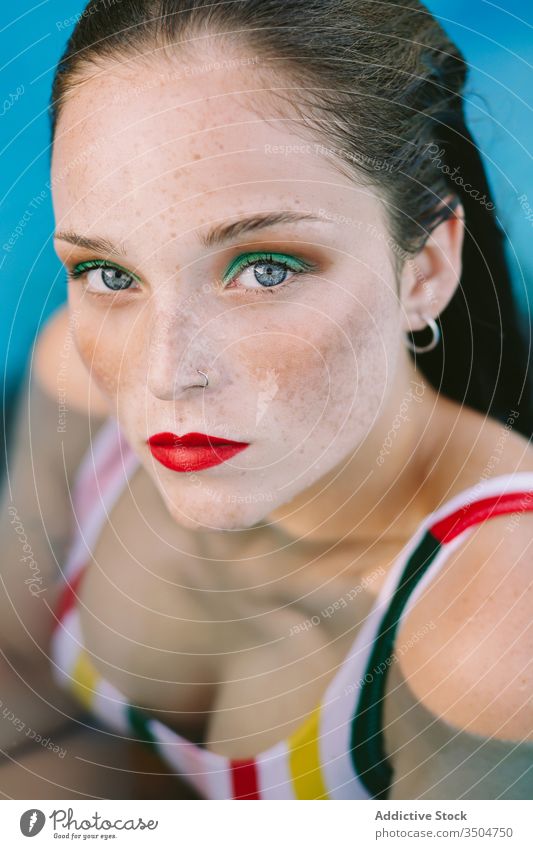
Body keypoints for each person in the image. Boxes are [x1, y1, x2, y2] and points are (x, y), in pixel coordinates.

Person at [1, 0, 532, 800]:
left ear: (422, 270)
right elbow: (14, 673)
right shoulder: (77, 387)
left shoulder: (492, 626)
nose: (165, 372)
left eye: (266, 267)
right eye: (111, 274)